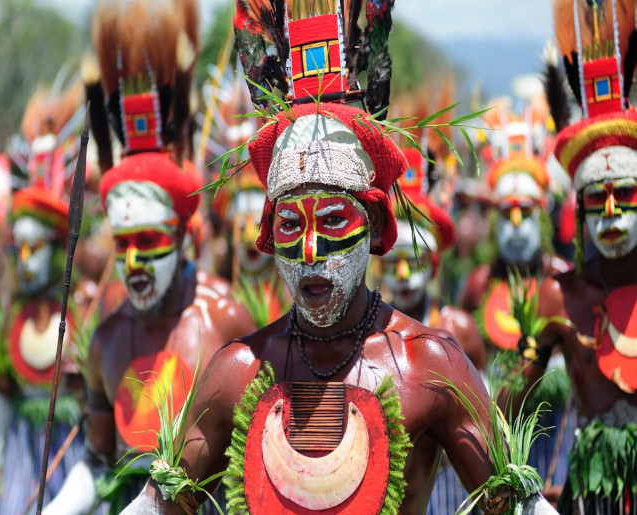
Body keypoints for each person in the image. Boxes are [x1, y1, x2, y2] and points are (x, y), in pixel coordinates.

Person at [121, 1, 555, 513]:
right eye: (289, 225)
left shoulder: (427, 366)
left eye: (332, 221)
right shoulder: (237, 372)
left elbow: (520, 506)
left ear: (373, 225)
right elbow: (158, 507)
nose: (310, 252)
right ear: (267, 234)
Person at [42, 1, 256, 513]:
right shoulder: (108, 338)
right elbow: (98, 459)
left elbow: (254, 455)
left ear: (183, 235)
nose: (134, 262)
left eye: (150, 242)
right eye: (123, 244)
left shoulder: (224, 320)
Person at [515, 1, 637, 511]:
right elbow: (507, 414)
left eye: (626, 194)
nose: (610, 213)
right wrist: (522, 493)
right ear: (580, 207)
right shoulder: (556, 298)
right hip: (589, 498)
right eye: (595, 198)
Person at [0, 78, 88, 514]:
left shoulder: (85, 309)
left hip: (73, 449)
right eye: (19, 248)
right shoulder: (10, 317)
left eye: (35, 247)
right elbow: (4, 393)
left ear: (59, 246)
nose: (25, 259)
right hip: (21, 454)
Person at [380, 149, 486, 514]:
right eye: (395, 263)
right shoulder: (366, 339)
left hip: (455, 487)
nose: (405, 277)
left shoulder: (458, 330)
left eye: (415, 262)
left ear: (434, 264)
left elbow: (488, 424)